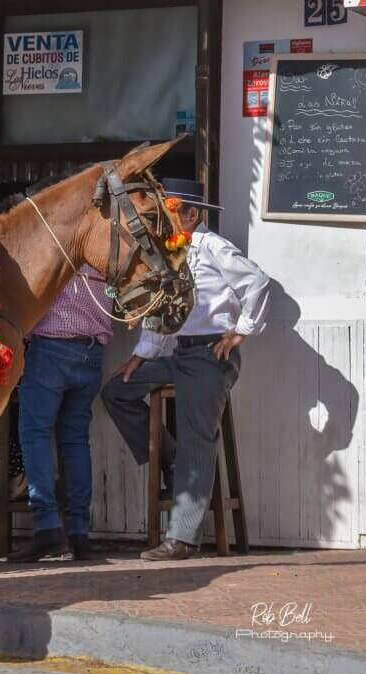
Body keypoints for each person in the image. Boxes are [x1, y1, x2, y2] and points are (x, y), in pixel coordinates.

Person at [101, 178, 271, 561]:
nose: (167, 220)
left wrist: (240, 332)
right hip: (179, 354)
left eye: (174, 213)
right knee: (117, 392)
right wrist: (141, 357)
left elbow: (258, 283)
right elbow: (163, 314)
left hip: (210, 355)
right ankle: (171, 459)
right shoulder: (168, 254)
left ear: (193, 214)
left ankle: (182, 539)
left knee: (198, 435)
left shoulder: (212, 246)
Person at [6, 267, 112, 563]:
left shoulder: (59, 256)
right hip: (91, 354)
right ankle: (79, 532)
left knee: (35, 434)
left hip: (51, 349)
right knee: (76, 442)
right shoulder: (98, 259)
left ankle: (47, 527)